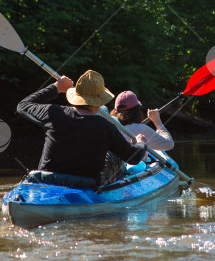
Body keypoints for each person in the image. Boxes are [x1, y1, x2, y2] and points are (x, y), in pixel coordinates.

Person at [17, 70, 147, 187]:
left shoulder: (54, 113)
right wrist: (141, 143)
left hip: (46, 180)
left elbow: (23, 106)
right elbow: (133, 158)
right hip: (85, 185)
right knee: (115, 156)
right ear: (100, 101)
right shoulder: (106, 127)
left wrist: (56, 87)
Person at [110, 91, 174, 154]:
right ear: (136, 110)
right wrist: (157, 121)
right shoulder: (141, 129)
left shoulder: (110, 125)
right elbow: (169, 144)